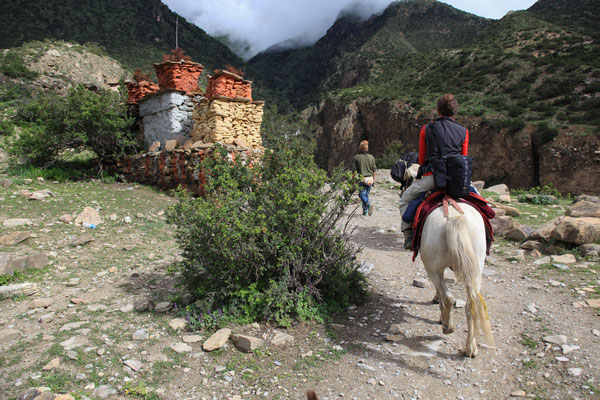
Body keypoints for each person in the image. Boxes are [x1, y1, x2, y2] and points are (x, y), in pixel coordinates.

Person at [399, 94, 469, 249]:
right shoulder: (464, 131)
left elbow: (422, 159)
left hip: (433, 178)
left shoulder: (427, 129)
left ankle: (408, 234)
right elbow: (462, 159)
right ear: (455, 111)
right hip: (456, 181)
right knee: (478, 200)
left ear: (437, 111)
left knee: (404, 199)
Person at [354, 140, 377, 216]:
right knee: (366, 194)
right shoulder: (371, 157)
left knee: (361, 194)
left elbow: (354, 171)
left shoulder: (357, 157)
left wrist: (353, 180)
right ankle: (365, 211)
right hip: (370, 178)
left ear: (360, 148)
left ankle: (367, 205)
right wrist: (373, 180)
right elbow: (374, 170)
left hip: (362, 178)